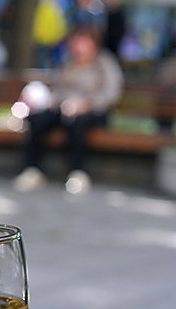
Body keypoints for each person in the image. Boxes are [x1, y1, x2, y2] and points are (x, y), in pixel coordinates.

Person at [13, 26, 123, 195]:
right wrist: (52, 101)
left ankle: (78, 173)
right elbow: (58, 88)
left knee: (76, 123)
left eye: (82, 41)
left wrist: (85, 104)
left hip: (94, 110)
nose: (77, 46)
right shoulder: (68, 62)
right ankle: (32, 170)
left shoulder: (104, 62)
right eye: (75, 41)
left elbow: (111, 92)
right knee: (38, 119)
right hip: (64, 107)